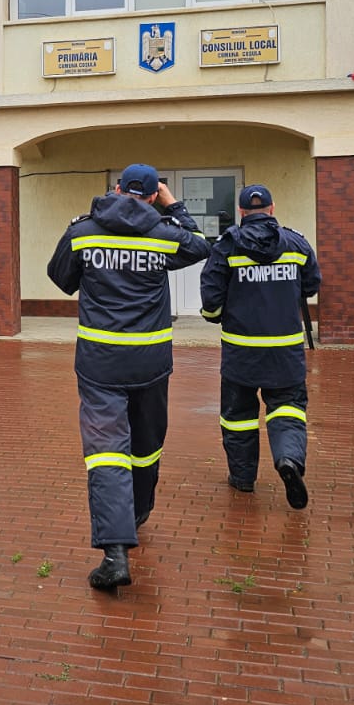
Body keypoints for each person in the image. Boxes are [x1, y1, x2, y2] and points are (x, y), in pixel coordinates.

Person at [47, 163, 211, 590]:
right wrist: (174, 206)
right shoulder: (164, 234)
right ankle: (138, 511)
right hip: (150, 362)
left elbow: (61, 278)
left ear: (117, 189)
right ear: (154, 195)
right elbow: (200, 246)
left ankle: (115, 552)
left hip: (100, 363)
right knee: (146, 443)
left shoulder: (83, 231)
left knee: (106, 452)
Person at [199, 184, 321, 510]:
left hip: (241, 352)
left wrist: (216, 315)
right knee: (288, 409)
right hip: (286, 352)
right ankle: (288, 459)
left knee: (238, 415)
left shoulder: (227, 246)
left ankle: (243, 478)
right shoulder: (296, 243)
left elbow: (211, 298)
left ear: (241, 211)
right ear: (272, 208)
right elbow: (311, 284)